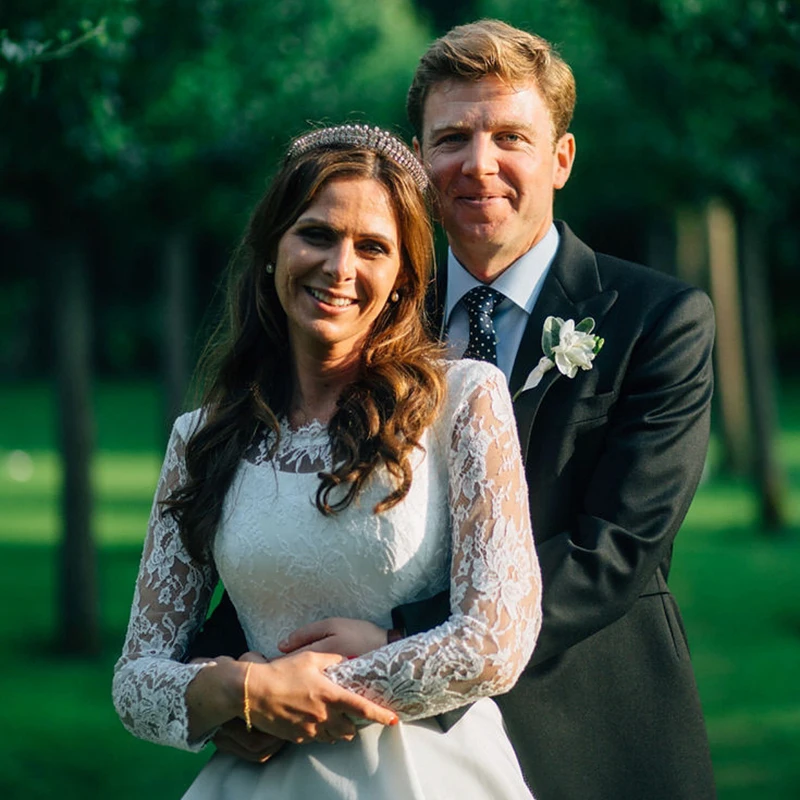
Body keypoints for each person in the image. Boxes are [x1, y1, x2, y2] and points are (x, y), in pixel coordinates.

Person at [191, 19, 718, 800]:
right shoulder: (362, 312)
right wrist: (237, 674)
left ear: (561, 158)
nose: (480, 165)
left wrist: (405, 642)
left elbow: (615, 548)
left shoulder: (659, 319)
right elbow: (300, 516)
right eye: (452, 138)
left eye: (511, 136)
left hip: (590, 730)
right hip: (379, 755)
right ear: (418, 160)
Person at [112, 123, 542, 799]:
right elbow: (136, 678)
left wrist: (300, 696)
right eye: (316, 234)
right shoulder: (201, 439)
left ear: (403, 278)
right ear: (271, 249)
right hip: (257, 780)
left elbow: (497, 638)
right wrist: (238, 688)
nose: (340, 268)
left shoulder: (464, 401)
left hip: (424, 775)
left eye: (372, 247)